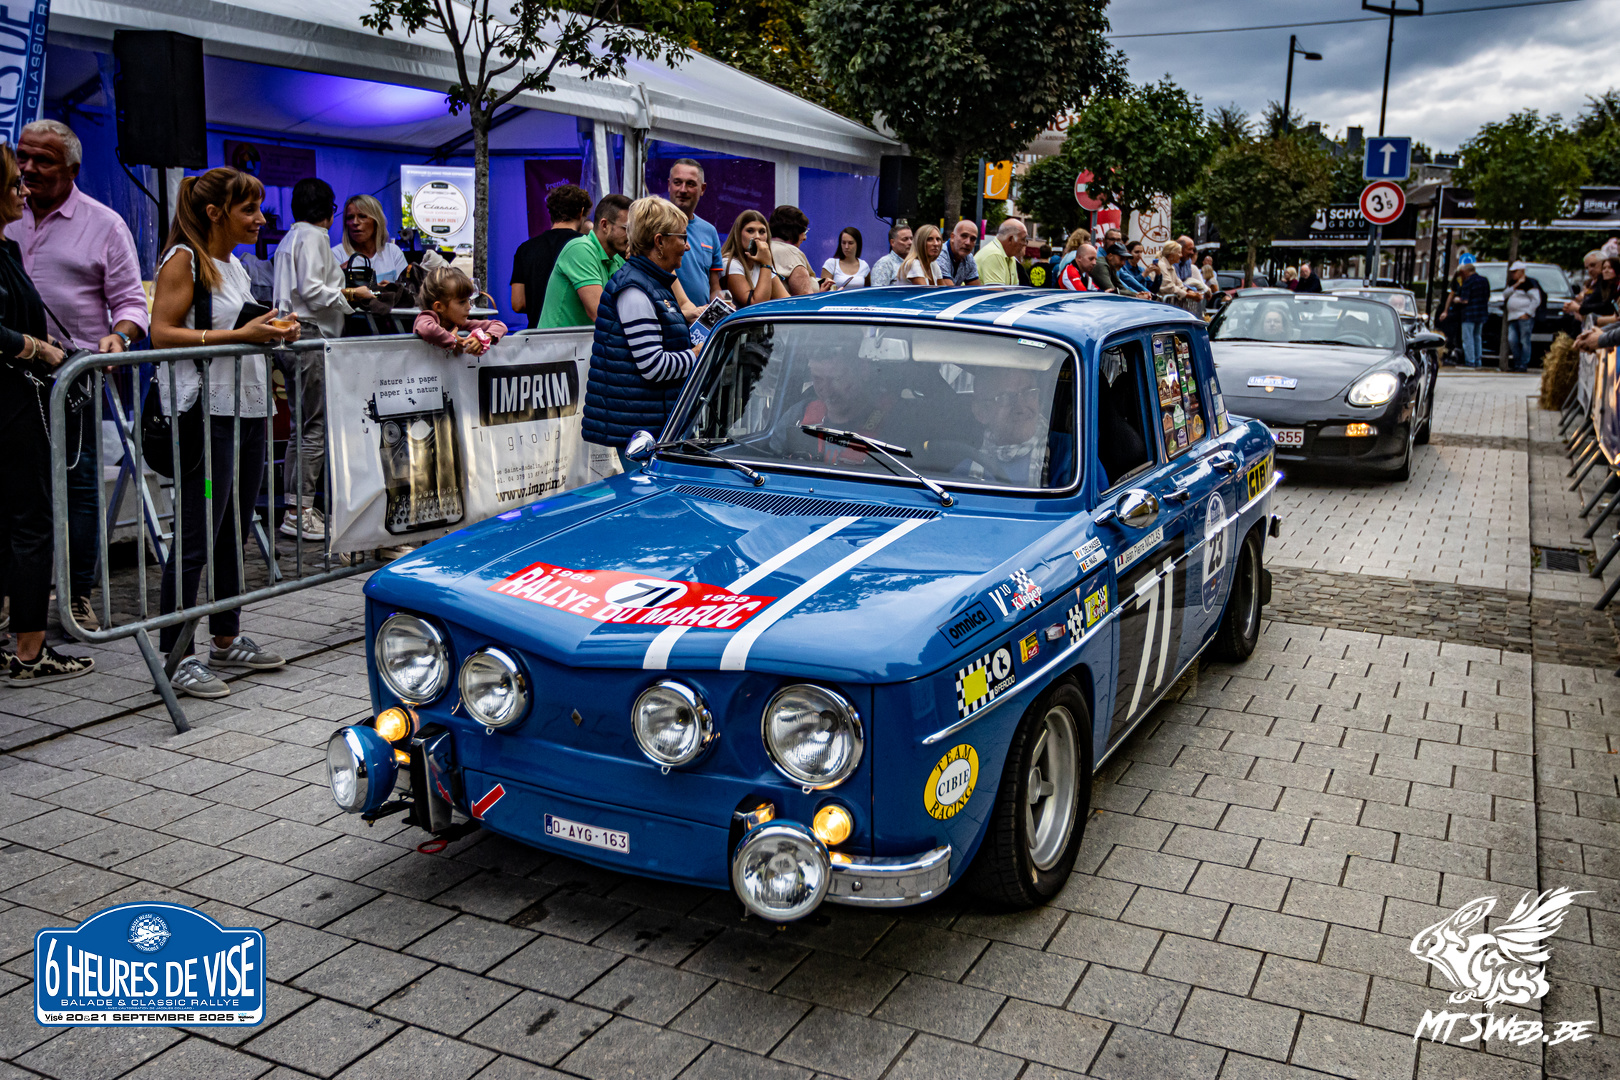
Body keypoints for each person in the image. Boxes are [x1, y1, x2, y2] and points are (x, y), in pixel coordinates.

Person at [150, 167, 296, 698]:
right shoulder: (183, 258)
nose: (260, 219)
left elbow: (238, 329)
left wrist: (272, 330)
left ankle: (226, 638)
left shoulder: (231, 264)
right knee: (198, 531)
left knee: (235, 526)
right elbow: (161, 332)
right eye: (248, 209)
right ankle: (175, 656)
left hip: (248, 408)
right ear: (215, 213)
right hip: (205, 415)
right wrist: (242, 334)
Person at [7, 119, 148, 633]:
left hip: (71, 377)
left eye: (42, 160)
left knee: (78, 486)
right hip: (9, 375)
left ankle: (77, 593)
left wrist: (119, 337)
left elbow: (131, 303)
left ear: (72, 169)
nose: (28, 169)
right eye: (22, 156)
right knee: (13, 487)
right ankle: (15, 594)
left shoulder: (104, 224)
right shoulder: (6, 214)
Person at [0, 143, 95, 685]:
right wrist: (36, 348)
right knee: (31, 523)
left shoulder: (6, 247)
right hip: (12, 405)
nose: (24, 189)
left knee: (16, 523)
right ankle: (30, 650)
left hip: (19, 399)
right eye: (15, 182)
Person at [274, 177, 374, 543]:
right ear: (329, 213)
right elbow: (314, 291)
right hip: (311, 333)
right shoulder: (314, 237)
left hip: (292, 334)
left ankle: (296, 506)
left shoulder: (289, 239)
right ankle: (298, 511)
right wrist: (351, 295)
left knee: (302, 427)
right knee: (313, 426)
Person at [583, 196, 699, 464]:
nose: (687, 245)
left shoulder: (651, 283)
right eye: (682, 237)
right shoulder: (635, 289)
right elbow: (653, 366)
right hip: (641, 433)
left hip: (650, 423)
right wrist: (698, 354)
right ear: (660, 242)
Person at [537, 194, 630, 328]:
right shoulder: (580, 249)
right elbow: (599, 313)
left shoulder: (616, 259)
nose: (631, 235)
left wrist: (637, 261)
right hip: (557, 341)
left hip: (579, 341)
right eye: (626, 229)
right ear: (604, 225)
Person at [509, 183, 590, 317]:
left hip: (536, 329)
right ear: (581, 212)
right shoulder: (587, 246)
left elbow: (518, 304)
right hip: (576, 328)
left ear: (551, 212)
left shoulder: (525, 249)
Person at [335, 194, 447, 284]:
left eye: (362, 216)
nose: (355, 222)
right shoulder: (337, 255)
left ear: (377, 221)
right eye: (350, 217)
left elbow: (406, 289)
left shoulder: (393, 252)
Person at [971, 366, 1049, 486]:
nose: (1021, 407)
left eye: (1029, 393)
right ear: (981, 412)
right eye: (1005, 397)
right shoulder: (967, 469)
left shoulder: (1070, 456)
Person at [664, 160, 723, 306]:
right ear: (669, 185)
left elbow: (714, 287)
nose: (683, 190)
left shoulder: (709, 231)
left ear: (702, 189)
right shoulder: (653, 226)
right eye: (677, 182)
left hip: (700, 317)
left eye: (690, 184)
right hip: (665, 315)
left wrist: (721, 303)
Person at [415, 267, 508, 353]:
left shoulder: (458, 324)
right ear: (439, 307)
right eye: (462, 302)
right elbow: (427, 330)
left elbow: (500, 325)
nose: (469, 307)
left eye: (468, 300)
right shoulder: (426, 318)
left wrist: (483, 338)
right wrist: (452, 339)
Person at [721, 209, 790, 308]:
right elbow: (756, 304)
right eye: (750, 231)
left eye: (762, 232)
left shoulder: (762, 263)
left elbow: (786, 302)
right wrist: (766, 264)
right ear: (738, 234)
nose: (757, 237)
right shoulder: (729, 263)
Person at [1504, 260, 1544, 372]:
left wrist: (1528, 313)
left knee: (1524, 341)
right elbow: (1505, 294)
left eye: (1515, 272)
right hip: (1513, 317)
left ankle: (1523, 364)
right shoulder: (1513, 283)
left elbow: (1536, 300)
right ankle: (1516, 363)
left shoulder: (1530, 283)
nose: (1513, 274)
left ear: (1521, 271)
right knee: (1512, 340)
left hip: (1524, 317)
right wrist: (1516, 284)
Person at [768, 205, 816, 296]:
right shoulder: (791, 253)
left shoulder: (764, 249)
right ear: (793, 231)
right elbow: (805, 297)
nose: (804, 238)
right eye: (803, 232)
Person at [1454, 256, 1490, 367]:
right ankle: (1478, 360)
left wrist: (1457, 300)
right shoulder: (1484, 280)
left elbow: (1465, 300)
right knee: (1477, 337)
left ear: (1466, 272)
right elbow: (1487, 296)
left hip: (1469, 314)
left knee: (1467, 338)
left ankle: (1470, 361)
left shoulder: (1468, 282)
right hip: (1481, 313)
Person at [977, 219, 1027, 286]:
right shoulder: (994, 254)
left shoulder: (1010, 257)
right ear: (1010, 239)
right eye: (1023, 239)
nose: (1025, 244)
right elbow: (996, 291)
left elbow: (1014, 289)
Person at [937, 220, 981, 286]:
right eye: (964, 236)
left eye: (973, 239)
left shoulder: (969, 258)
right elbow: (948, 290)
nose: (968, 242)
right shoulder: (940, 254)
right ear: (952, 237)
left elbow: (975, 289)